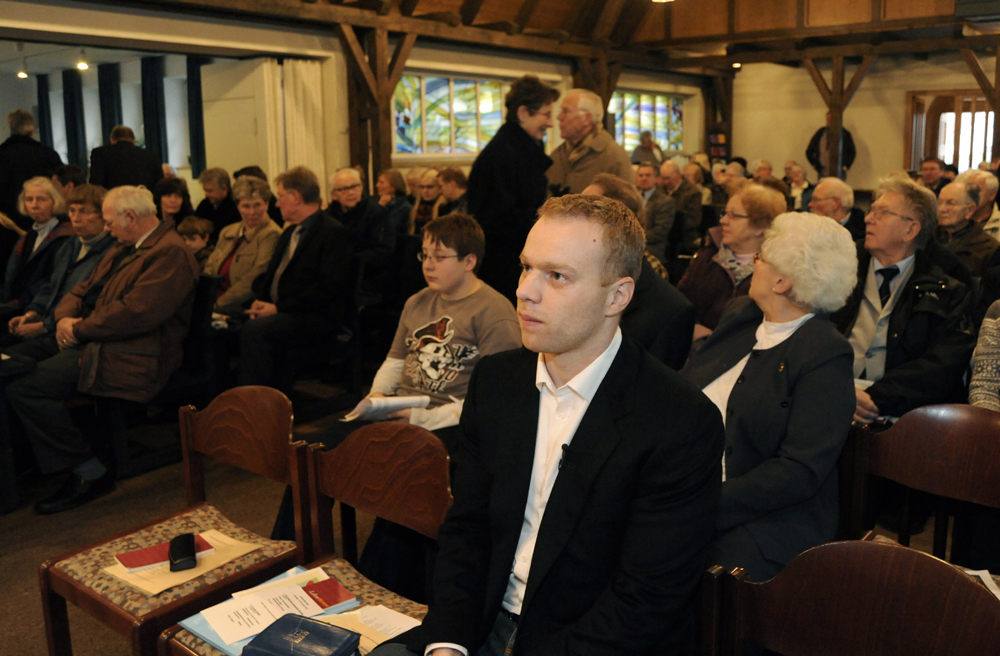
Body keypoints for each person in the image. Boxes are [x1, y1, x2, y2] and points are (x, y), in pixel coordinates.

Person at [375, 194, 723, 656]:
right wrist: (448, 644)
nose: (525, 291)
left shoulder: (679, 421)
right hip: (484, 623)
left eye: (556, 276)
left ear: (617, 296)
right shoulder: (497, 382)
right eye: (526, 267)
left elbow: (643, 602)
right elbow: (468, 530)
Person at [682, 212, 858, 581]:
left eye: (760, 259)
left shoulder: (825, 352)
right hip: (686, 489)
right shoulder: (743, 315)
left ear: (781, 281)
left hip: (761, 517)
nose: (753, 265)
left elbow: (799, 471)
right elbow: (684, 392)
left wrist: (702, 501)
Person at [4, 185, 198, 514]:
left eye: (109, 222)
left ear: (131, 217)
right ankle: (29, 461)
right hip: (96, 337)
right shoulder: (125, 245)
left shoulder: (169, 252)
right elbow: (80, 289)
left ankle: (88, 469)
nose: (106, 229)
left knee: (26, 388)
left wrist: (77, 329)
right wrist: (65, 320)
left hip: (132, 352)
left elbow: (135, 314)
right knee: (12, 363)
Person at [831, 176, 975, 424]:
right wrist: (835, 388)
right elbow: (811, 334)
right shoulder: (839, 268)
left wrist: (876, 396)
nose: (868, 218)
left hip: (902, 413)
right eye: (871, 210)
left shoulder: (947, 288)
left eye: (882, 213)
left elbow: (942, 365)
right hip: (832, 394)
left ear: (911, 229)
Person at [238, 166, 352, 392]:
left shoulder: (332, 232)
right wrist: (260, 300)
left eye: (280, 197)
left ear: (296, 197)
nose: (277, 203)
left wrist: (278, 308)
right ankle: (248, 398)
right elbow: (272, 276)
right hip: (286, 311)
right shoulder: (291, 232)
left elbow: (328, 288)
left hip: (314, 317)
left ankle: (256, 407)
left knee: (256, 331)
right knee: (230, 320)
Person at [582, 173, 696, 370]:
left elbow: (655, 389)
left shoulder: (670, 311)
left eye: (585, 210)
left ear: (616, 224)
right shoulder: (566, 280)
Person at [467, 75, 559, 303]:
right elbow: (501, 221)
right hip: (507, 271)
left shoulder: (516, 150)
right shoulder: (504, 157)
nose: (550, 123)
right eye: (546, 115)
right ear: (523, 113)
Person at [4, 184, 114, 348]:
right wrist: (32, 313)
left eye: (84, 211)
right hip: (48, 325)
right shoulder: (70, 244)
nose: (75, 218)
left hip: (72, 336)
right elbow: (51, 285)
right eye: (72, 211)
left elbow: (87, 303)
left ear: (104, 215)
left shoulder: (110, 252)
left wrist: (43, 326)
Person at [678, 183, 786, 337]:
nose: (723, 221)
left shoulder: (778, 270)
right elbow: (681, 303)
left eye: (734, 216)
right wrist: (693, 327)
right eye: (725, 213)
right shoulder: (706, 258)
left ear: (760, 226)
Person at [203, 175, 282, 315]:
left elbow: (253, 279)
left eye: (257, 205)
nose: (252, 212)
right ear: (238, 206)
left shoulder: (272, 234)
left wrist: (217, 305)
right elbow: (210, 266)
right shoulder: (227, 231)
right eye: (246, 206)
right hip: (213, 302)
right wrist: (205, 299)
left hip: (241, 308)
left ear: (267, 204)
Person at [1, 177, 74, 325]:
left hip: (40, 309)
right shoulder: (30, 236)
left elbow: (51, 282)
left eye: (41, 199)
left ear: (55, 201)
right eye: (29, 199)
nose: (34, 205)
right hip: (18, 302)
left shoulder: (65, 236)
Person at [547, 88, 635, 194]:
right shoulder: (556, 155)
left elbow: (627, 205)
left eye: (566, 111)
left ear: (587, 118)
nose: (559, 117)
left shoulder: (614, 157)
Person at [0, 110, 62, 232]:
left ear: (10, 128)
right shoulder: (48, 154)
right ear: (32, 130)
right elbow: (59, 187)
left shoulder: (2, 154)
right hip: (45, 222)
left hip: (6, 222)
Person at [935, 180, 1000, 277]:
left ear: (970, 210)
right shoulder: (925, 237)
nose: (942, 209)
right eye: (939, 203)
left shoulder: (989, 249)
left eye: (951, 203)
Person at [88, 125, 163, 191]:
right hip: (144, 201)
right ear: (134, 142)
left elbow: (96, 184)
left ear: (112, 140)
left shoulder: (100, 153)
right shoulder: (152, 156)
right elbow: (159, 185)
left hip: (113, 202)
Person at [635, 162, 676, 264]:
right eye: (641, 175)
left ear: (657, 179)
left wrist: (634, 237)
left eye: (648, 175)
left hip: (652, 247)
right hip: (632, 244)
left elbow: (659, 232)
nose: (643, 178)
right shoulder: (632, 197)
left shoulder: (665, 201)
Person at [660, 160, 702, 253]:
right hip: (663, 233)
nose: (666, 182)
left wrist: (670, 225)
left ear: (678, 174)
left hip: (683, 237)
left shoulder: (692, 192)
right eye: (663, 178)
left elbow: (694, 220)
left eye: (668, 178)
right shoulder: (660, 189)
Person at [809, 176, 866, 241]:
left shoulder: (863, 231)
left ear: (835, 203)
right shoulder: (809, 227)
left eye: (816, 200)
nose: (810, 204)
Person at [806, 112, 856, 179]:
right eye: (827, 119)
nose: (829, 121)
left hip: (839, 172)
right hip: (823, 172)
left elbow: (852, 152)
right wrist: (816, 165)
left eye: (831, 119)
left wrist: (845, 165)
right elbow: (809, 151)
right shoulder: (821, 133)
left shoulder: (844, 134)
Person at [194, 167, 240, 236]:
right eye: (205, 191)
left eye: (210, 191)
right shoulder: (204, 204)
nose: (206, 195)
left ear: (224, 189)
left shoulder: (236, 207)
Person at [957, 168, 1000, 238]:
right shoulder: (953, 219)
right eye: (964, 190)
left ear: (992, 195)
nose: (968, 195)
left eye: (975, 190)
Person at [375, 169, 413, 237]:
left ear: (393, 187)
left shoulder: (403, 207)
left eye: (382, 182)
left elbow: (385, 229)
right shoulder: (386, 203)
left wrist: (380, 207)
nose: (377, 185)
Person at [410, 169, 444, 234]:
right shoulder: (417, 207)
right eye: (422, 187)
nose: (425, 191)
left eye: (430, 187)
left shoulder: (443, 207)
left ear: (439, 187)